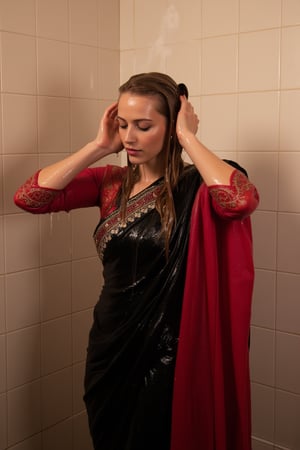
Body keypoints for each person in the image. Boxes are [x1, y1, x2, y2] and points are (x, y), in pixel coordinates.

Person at [14, 72, 259, 450]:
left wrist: (190, 139)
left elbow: (239, 201)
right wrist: (97, 146)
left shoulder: (198, 185)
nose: (129, 137)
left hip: (168, 352)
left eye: (143, 126)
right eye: (123, 124)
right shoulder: (109, 183)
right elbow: (29, 198)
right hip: (109, 344)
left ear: (173, 125)